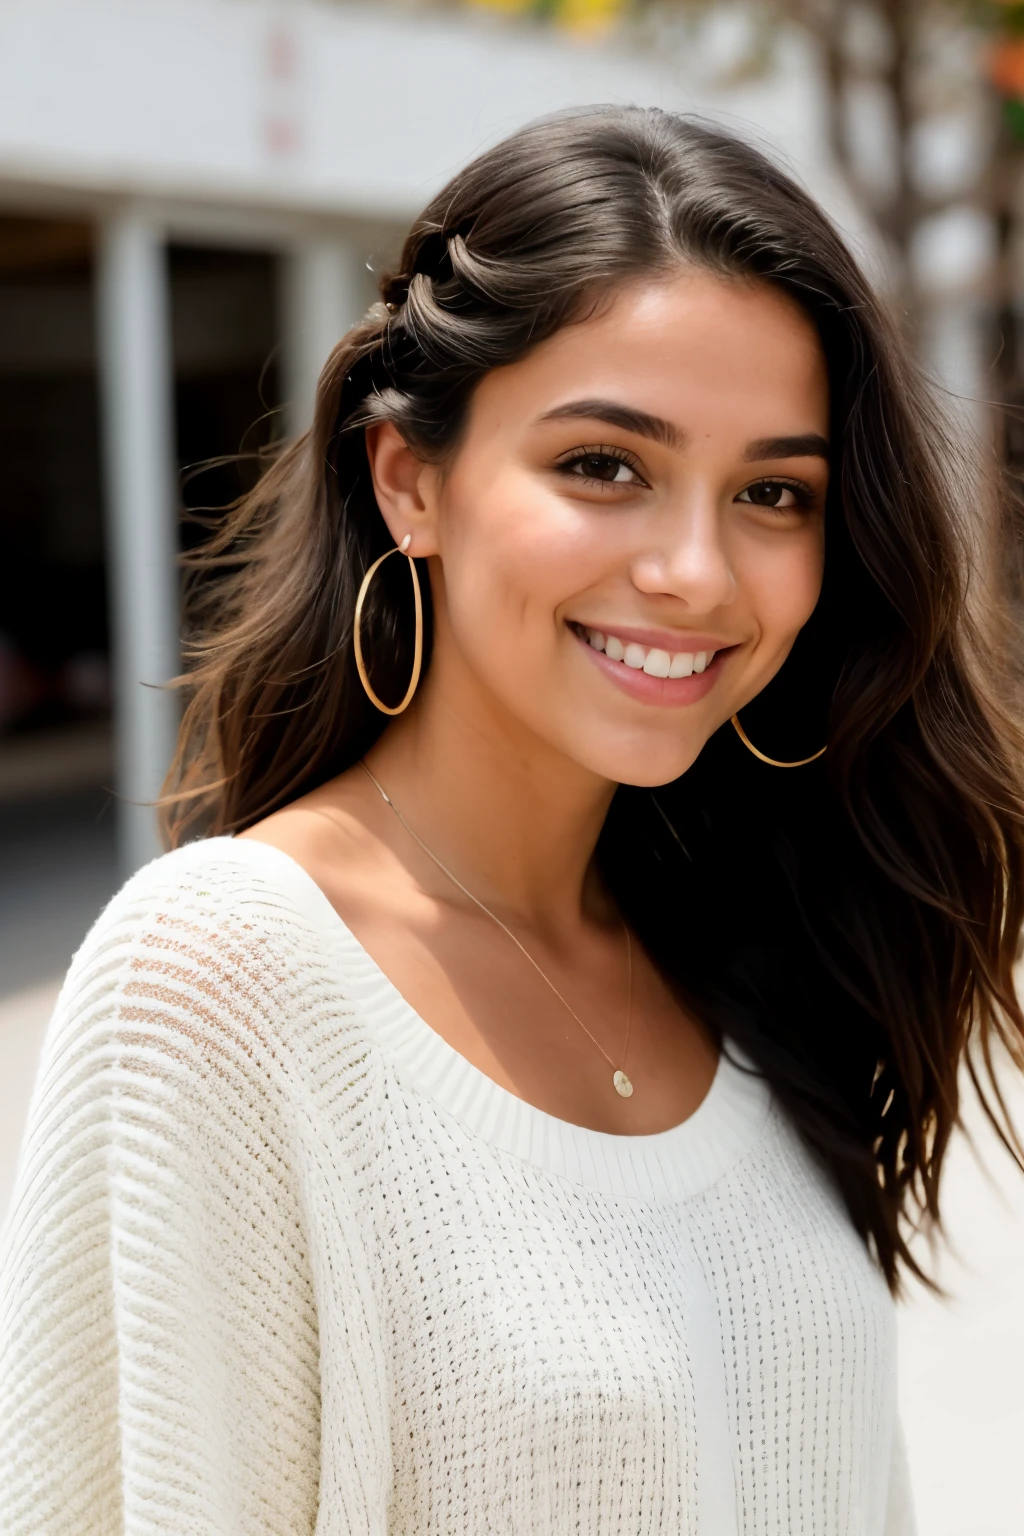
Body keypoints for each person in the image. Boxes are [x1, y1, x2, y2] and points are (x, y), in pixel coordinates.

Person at [2, 105, 1022, 1535]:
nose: (694, 570)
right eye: (604, 465)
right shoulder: (219, 982)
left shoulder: (744, 942)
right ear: (408, 480)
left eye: (772, 493)